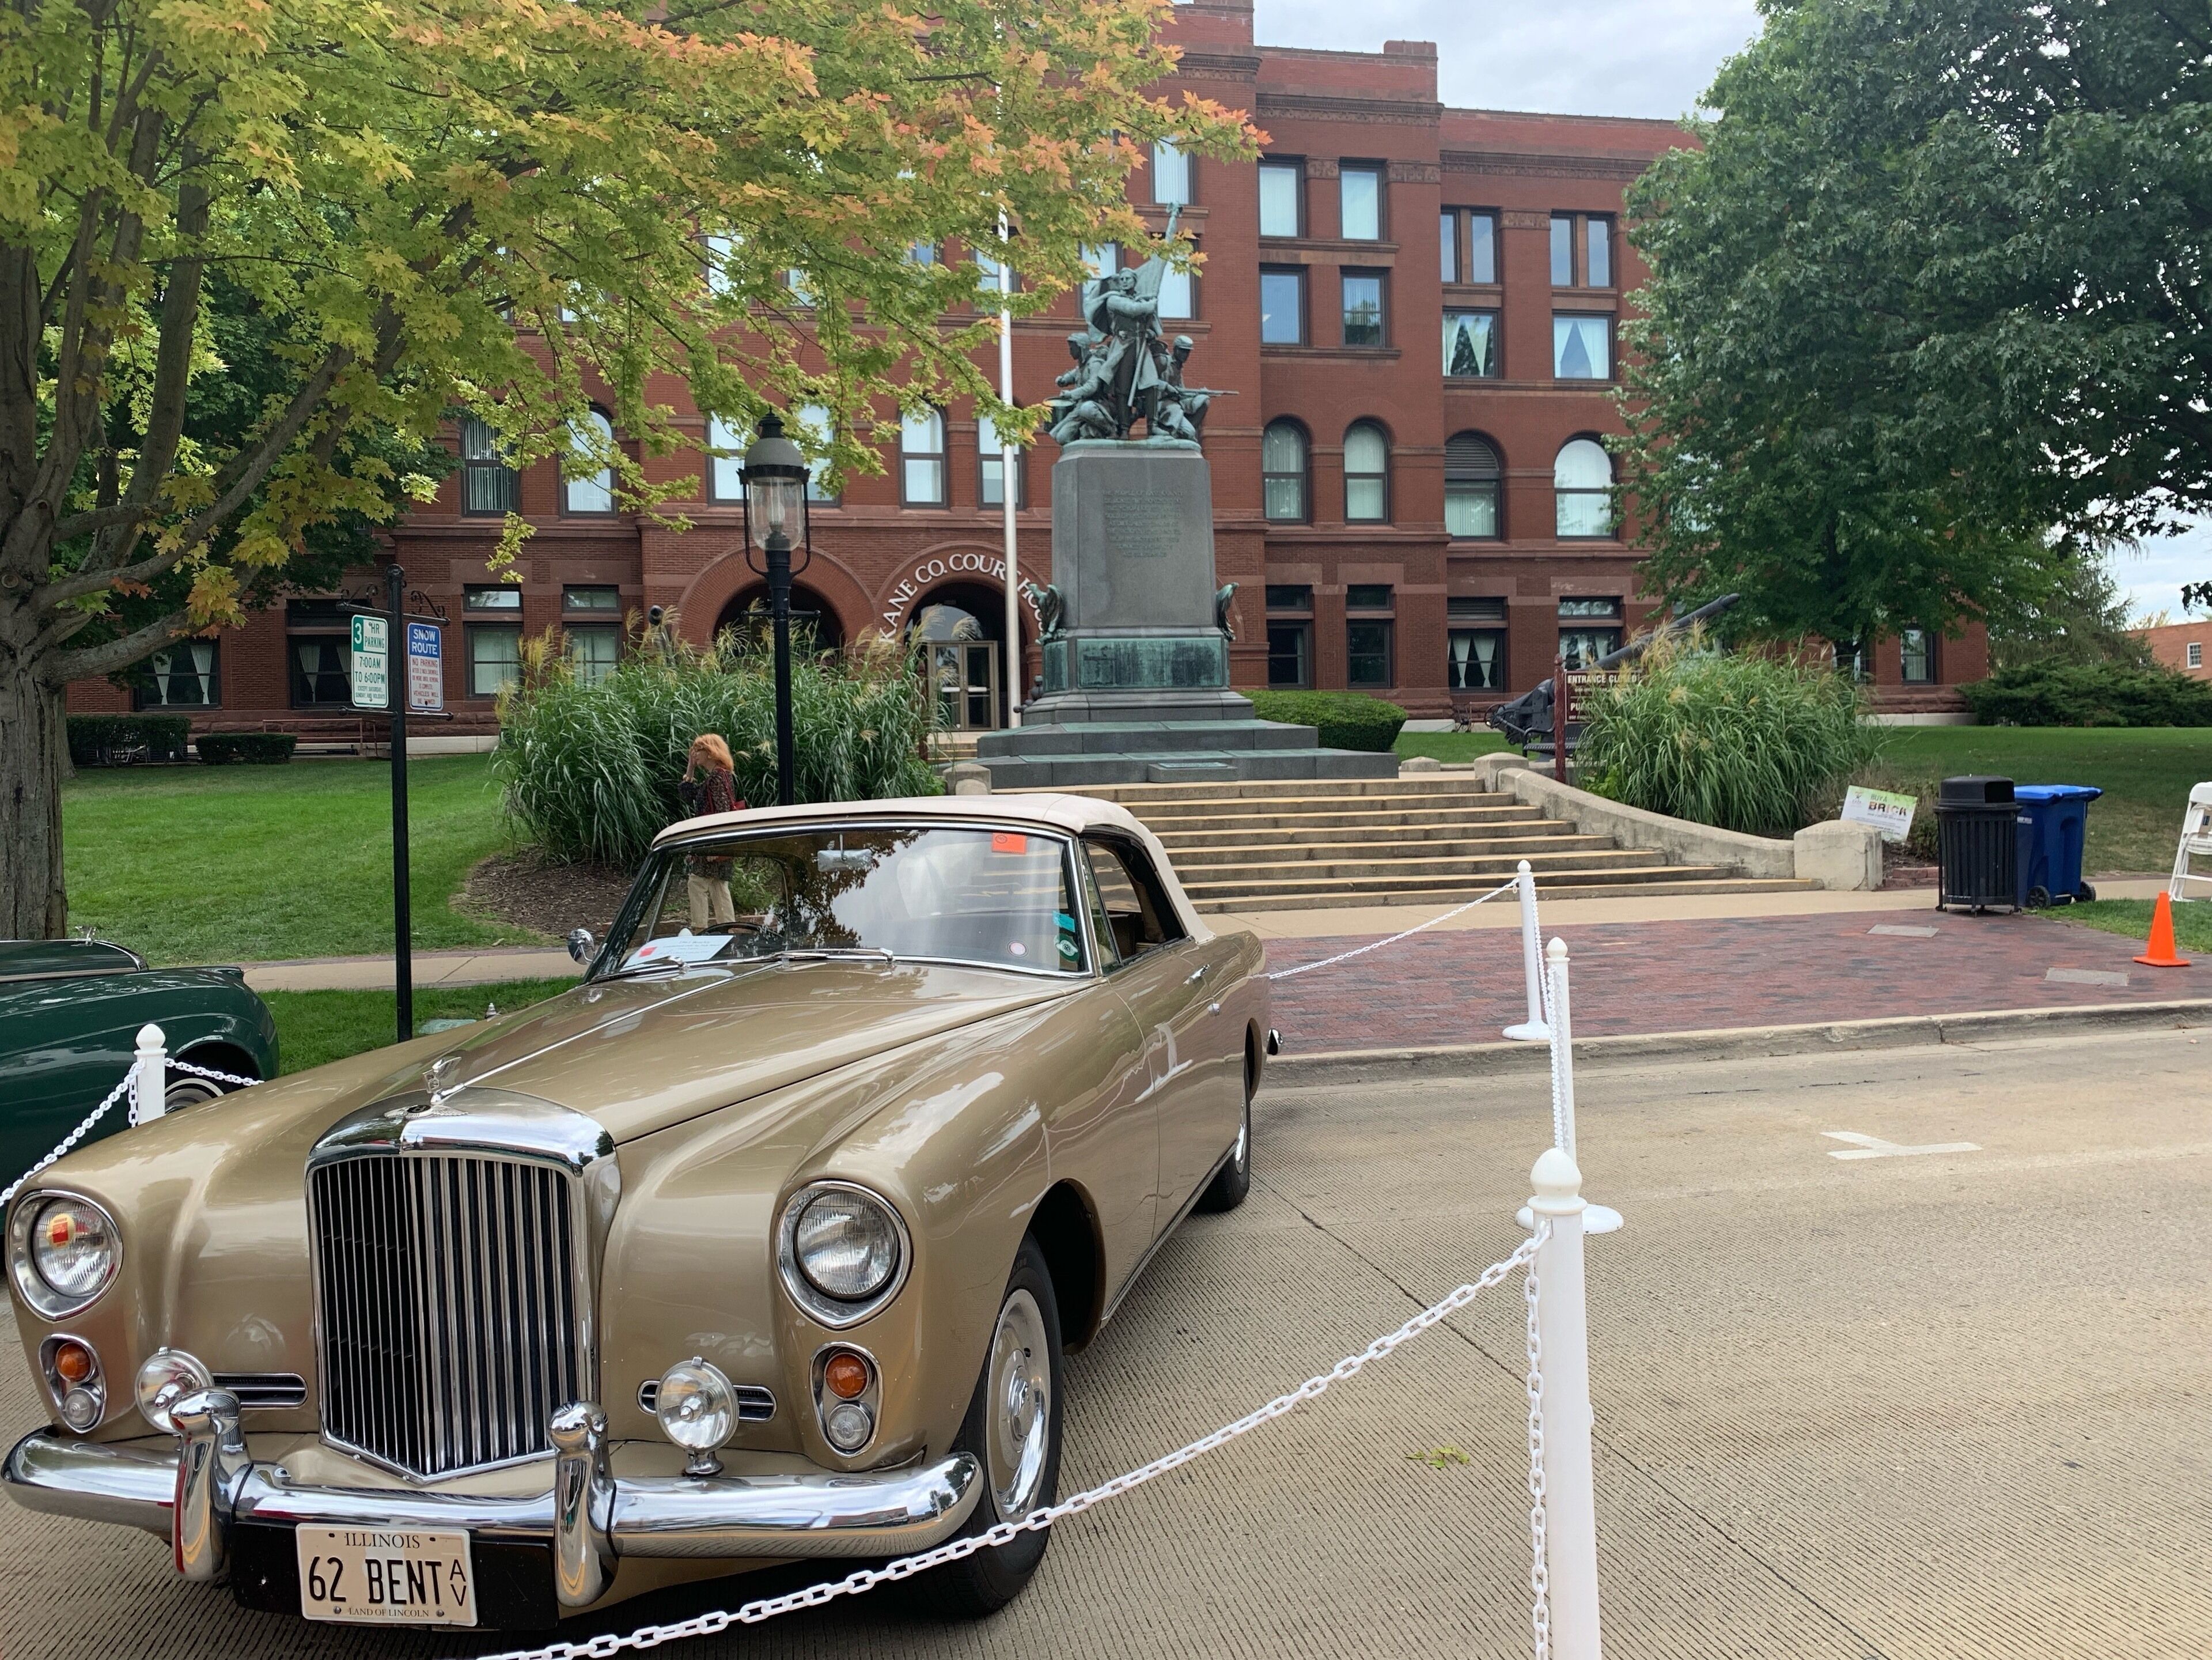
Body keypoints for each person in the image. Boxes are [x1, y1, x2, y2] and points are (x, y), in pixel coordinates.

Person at [679, 734, 744, 929]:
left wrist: (717, 846)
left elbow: (723, 811)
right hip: (716, 841)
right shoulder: (719, 776)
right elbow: (688, 795)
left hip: (713, 842)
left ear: (710, 752)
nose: (694, 754)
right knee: (718, 886)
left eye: (697, 750)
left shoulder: (717, 778)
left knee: (697, 883)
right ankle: (729, 930)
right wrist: (690, 768)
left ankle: (700, 929)